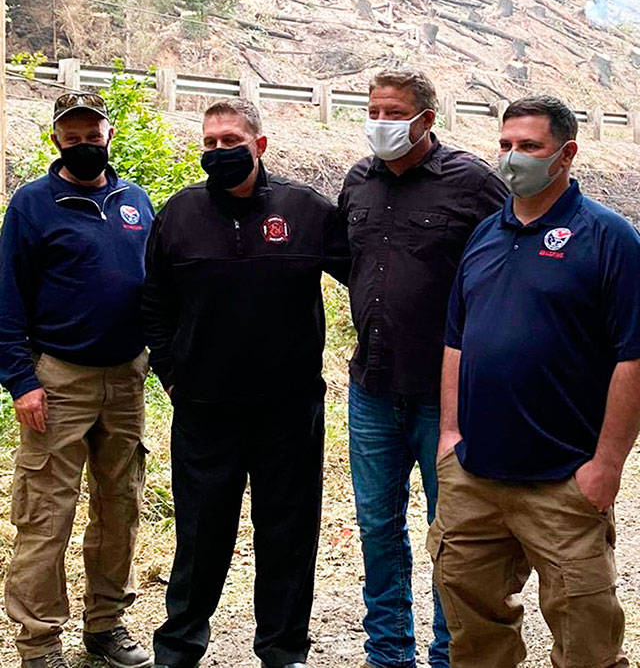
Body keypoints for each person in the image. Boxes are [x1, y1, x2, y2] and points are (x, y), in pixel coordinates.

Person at [429, 95, 640, 668]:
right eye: (505, 145)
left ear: (566, 154)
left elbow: (633, 356)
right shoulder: (484, 236)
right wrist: (449, 438)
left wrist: (606, 466)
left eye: (529, 147)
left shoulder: (608, 237)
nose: (512, 158)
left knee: (587, 639)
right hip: (474, 477)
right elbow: (456, 339)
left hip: (564, 480)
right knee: (473, 634)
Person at [143, 98, 350, 668]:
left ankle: (284, 650)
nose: (218, 151)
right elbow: (155, 300)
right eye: (209, 143)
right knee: (200, 536)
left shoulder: (305, 209)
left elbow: (369, 277)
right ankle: (180, 647)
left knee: (288, 533)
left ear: (259, 145)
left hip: (289, 411)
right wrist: (172, 373)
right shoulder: (179, 214)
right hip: (205, 409)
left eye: (230, 141)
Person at [338, 69, 507, 668]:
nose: (380, 121)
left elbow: (510, 255)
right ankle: (388, 652)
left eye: (393, 112)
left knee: (453, 535)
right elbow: (348, 263)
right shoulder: (357, 181)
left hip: (448, 398)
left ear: (426, 120)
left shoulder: (472, 183)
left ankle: (449, 652)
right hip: (373, 390)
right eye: (373, 109)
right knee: (378, 528)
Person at [0, 92, 155, 668]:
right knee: (45, 514)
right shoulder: (33, 204)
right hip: (58, 381)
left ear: (109, 135)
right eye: (73, 135)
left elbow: (157, 285)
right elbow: (7, 298)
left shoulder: (134, 200)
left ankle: (106, 625)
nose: (85, 143)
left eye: (94, 133)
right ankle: (39, 644)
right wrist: (21, 380)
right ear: (56, 141)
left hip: (127, 379)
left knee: (121, 507)